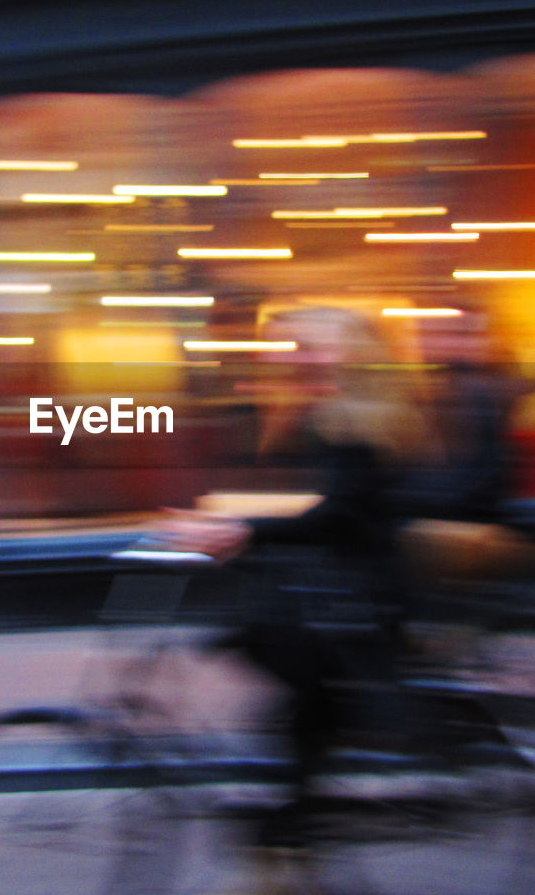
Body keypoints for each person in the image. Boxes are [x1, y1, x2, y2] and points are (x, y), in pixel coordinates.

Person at [160, 306, 435, 859]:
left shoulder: (359, 421)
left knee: (271, 652)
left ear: (350, 352)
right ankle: (296, 813)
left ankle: (297, 818)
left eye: (312, 347)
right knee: (277, 676)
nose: (299, 358)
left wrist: (240, 532)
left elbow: (340, 520)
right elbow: (330, 512)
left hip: (363, 597)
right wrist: (240, 528)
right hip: (348, 582)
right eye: (295, 349)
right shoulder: (338, 413)